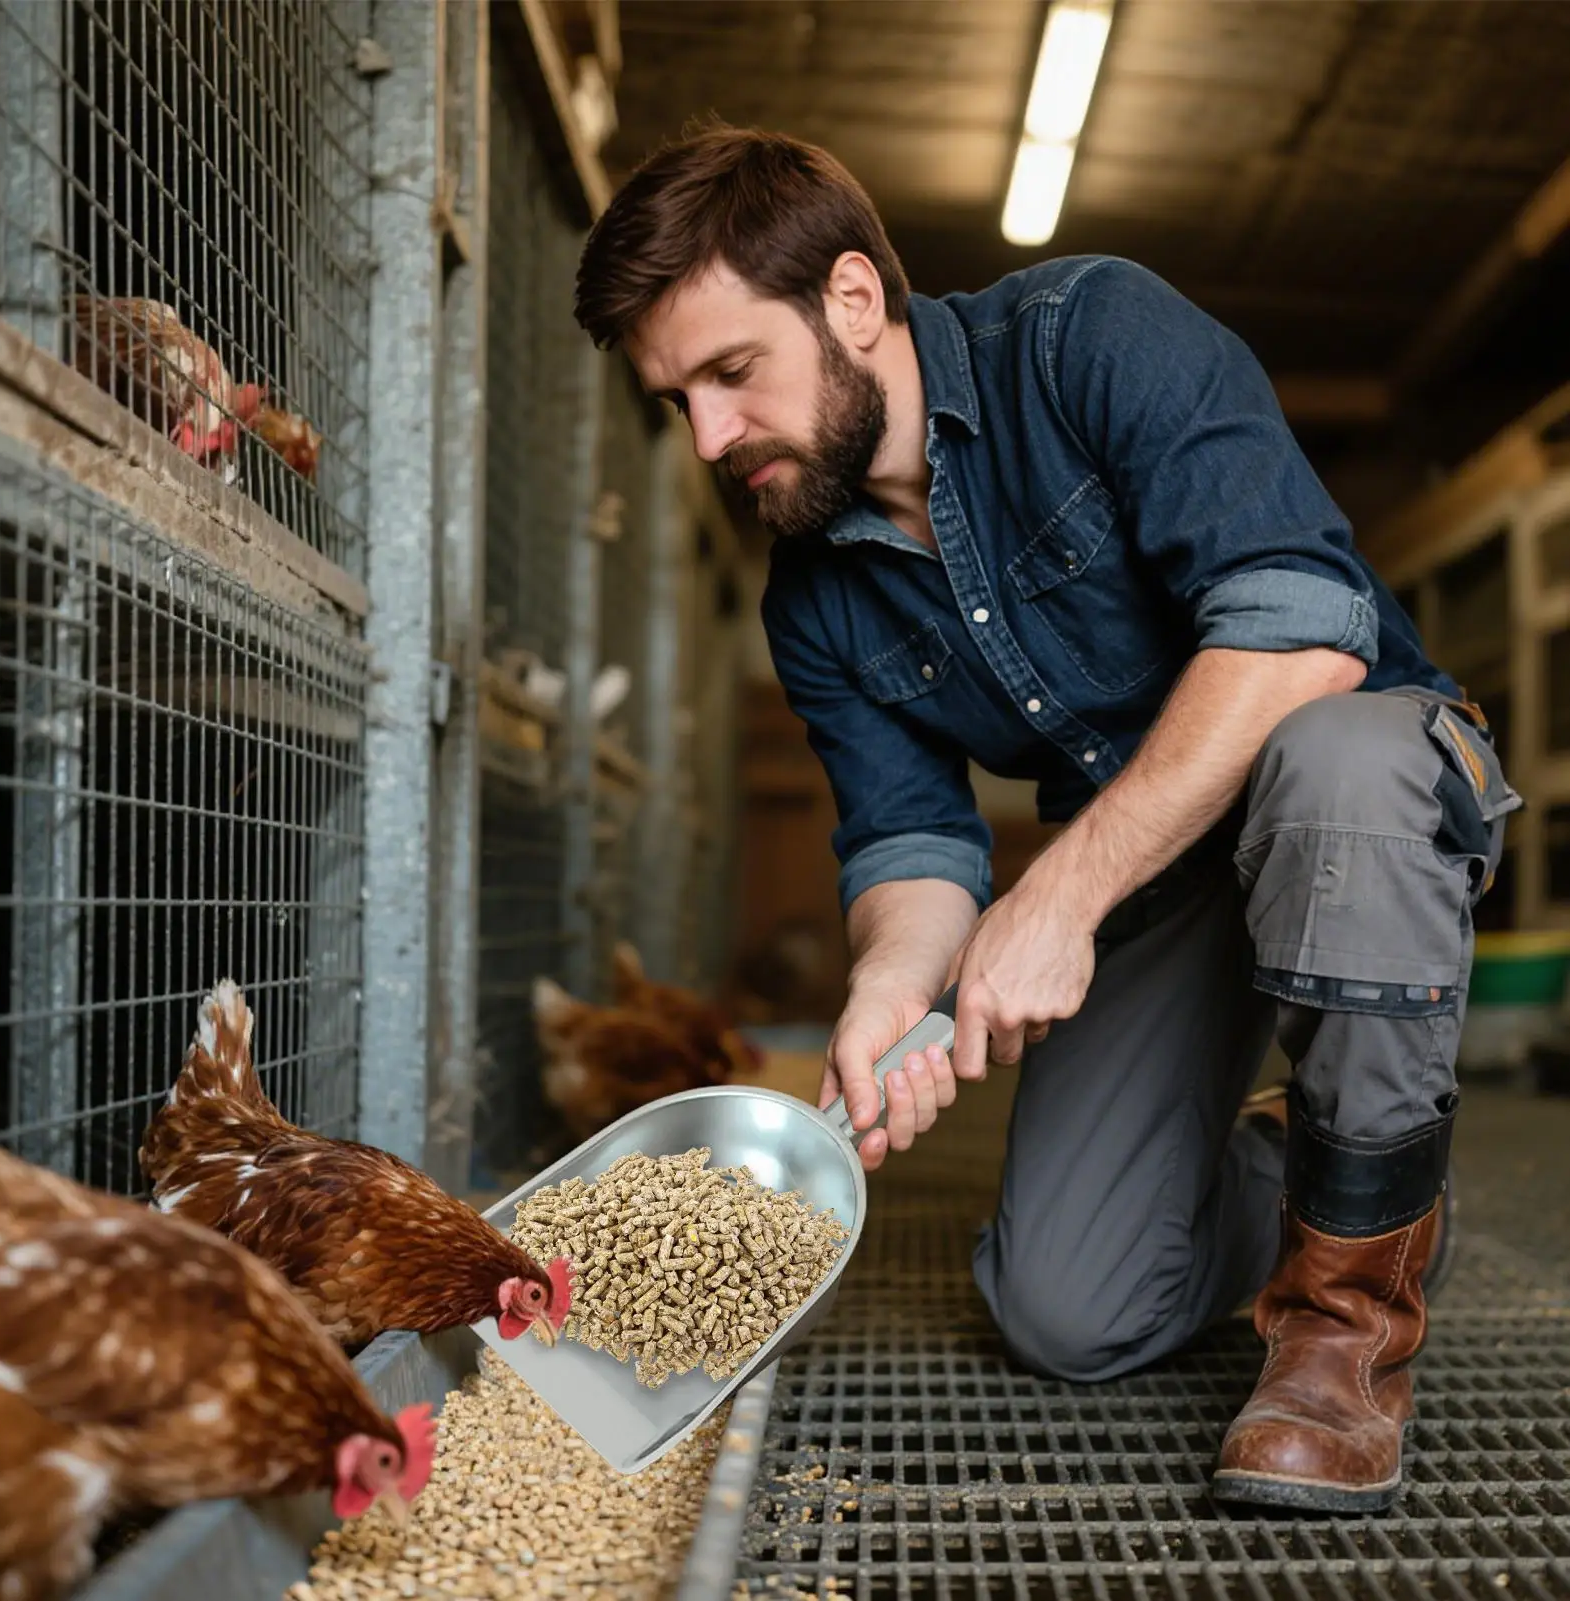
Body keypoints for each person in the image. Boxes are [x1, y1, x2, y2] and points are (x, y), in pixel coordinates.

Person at [572, 122, 1522, 1514]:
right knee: (1067, 1312)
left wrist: (1061, 899)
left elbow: (1302, 633)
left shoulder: (1091, 337)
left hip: (1349, 790)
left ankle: (1344, 1338)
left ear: (850, 300)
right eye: (680, 404)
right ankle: (1331, 1168)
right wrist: (893, 988)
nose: (714, 440)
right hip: (1156, 864)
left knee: (1339, 762)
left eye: (731, 374)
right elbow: (912, 840)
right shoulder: (813, 596)